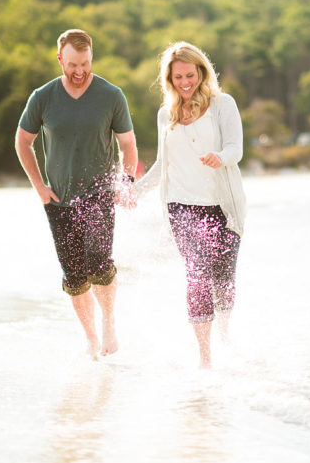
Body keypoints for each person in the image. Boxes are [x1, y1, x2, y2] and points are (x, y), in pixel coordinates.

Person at [15, 29, 138, 358]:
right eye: (72, 64)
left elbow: (127, 145)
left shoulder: (111, 95)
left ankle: (109, 322)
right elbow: (22, 141)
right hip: (59, 199)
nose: (79, 71)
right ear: (60, 59)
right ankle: (90, 338)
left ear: (91, 58)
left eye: (84, 63)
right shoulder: (43, 97)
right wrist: (39, 187)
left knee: (99, 264)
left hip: (99, 196)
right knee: (74, 276)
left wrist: (124, 181)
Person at [136, 41, 247, 369]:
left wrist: (220, 158)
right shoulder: (165, 114)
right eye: (177, 77)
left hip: (222, 206)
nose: (185, 82)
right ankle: (205, 358)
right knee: (197, 275)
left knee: (223, 279)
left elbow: (235, 149)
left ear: (202, 72)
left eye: (190, 75)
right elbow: (161, 164)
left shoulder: (222, 104)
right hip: (181, 207)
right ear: (169, 80)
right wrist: (136, 191)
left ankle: (224, 336)